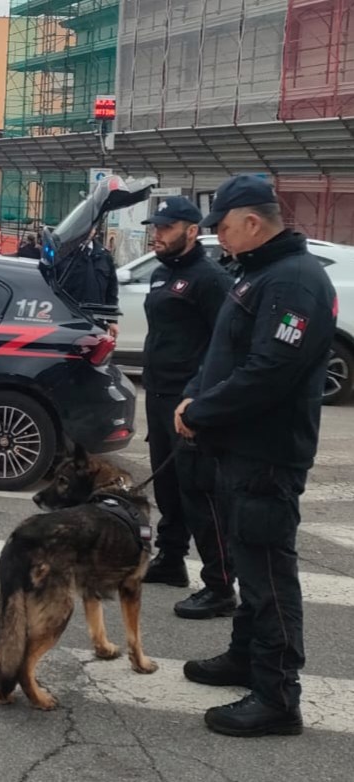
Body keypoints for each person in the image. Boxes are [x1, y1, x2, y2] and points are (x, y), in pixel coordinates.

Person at [176, 174, 337, 737]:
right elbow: (226, 352)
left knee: (269, 574)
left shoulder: (295, 282)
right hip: (239, 448)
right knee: (250, 564)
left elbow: (271, 370)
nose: (217, 237)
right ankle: (246, 656)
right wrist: (198, 395)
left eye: (221, 226)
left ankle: (277, 696)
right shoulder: (260, 274)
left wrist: (201, 410)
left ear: (250, 221)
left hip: (267, 453)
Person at [137, 197, 236, 619]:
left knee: (199, 492)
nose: (156, 234)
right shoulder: (163, 274)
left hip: (188, 401)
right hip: (158, 395)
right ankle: (171, 559)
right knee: (168, 489)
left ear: (191, 230)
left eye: (166, 227)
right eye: (155, 227)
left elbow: (226, 344)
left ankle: (219, 586)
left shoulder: (210, 279)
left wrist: (202, 401)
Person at [55, 226, 119, 337]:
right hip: (68, 322)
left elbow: (111, 292)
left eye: (92, 227)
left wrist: (112, 321)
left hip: (96, 324)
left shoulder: (104, 256)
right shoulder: (63, 253)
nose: (88, 231)